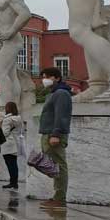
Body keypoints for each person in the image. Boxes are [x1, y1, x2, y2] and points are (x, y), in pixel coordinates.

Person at [38, 67, 72, 210]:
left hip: (54, 134)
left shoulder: (61, 93)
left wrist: (56, 134)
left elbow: (61, 115)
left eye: (47, 77)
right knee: (54, 167)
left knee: (59, 167)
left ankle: (59, 198)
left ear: (56, 78)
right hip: (48, 133)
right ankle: (57, 196)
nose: (44, 80)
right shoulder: (53, 93)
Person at [1, 101, 22, 189]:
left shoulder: (7, 119)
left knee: (10, 164)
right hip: (15, 142)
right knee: (14, 163)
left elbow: (4, 133)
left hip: (7, 143)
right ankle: (14, 182)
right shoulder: (18, 118)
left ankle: (12, 182)